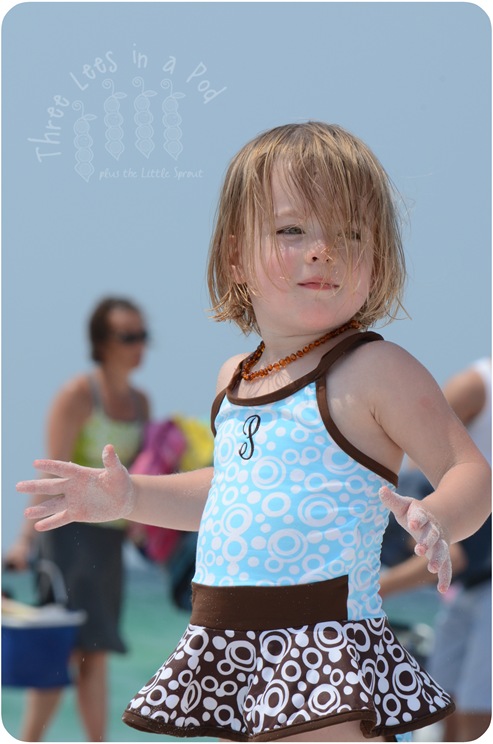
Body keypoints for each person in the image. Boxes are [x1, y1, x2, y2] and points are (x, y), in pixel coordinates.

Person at [16, 123, 491, 743]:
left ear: (378, 257)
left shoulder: (375, 369)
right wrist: (132, 496)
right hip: (228, 642)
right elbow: (229, 493)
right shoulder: (234, 378)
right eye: (293, 230)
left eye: (350, 233)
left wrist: (439, 517)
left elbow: (469, 471)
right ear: (237, 255)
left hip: (322, 642)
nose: (323, 250)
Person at [8, 297, 150, 742]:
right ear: (101, 342)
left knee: (97, 649)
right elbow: (51, 472)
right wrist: (24, 540)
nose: (140, 345)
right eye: (128, 336)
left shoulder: (142, 403)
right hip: (68, 535)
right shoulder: (78, 395)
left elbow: (135, 476)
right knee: (61, 650)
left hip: (110, 543)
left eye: (143, 335)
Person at [380, 358, 492, 741]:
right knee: (447, 698)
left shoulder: (477, 384)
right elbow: (419, 439)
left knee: (475, 705)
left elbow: (456, 555)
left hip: (479, 562)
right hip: (473, 576)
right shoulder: (478, 384)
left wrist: (371, 590)